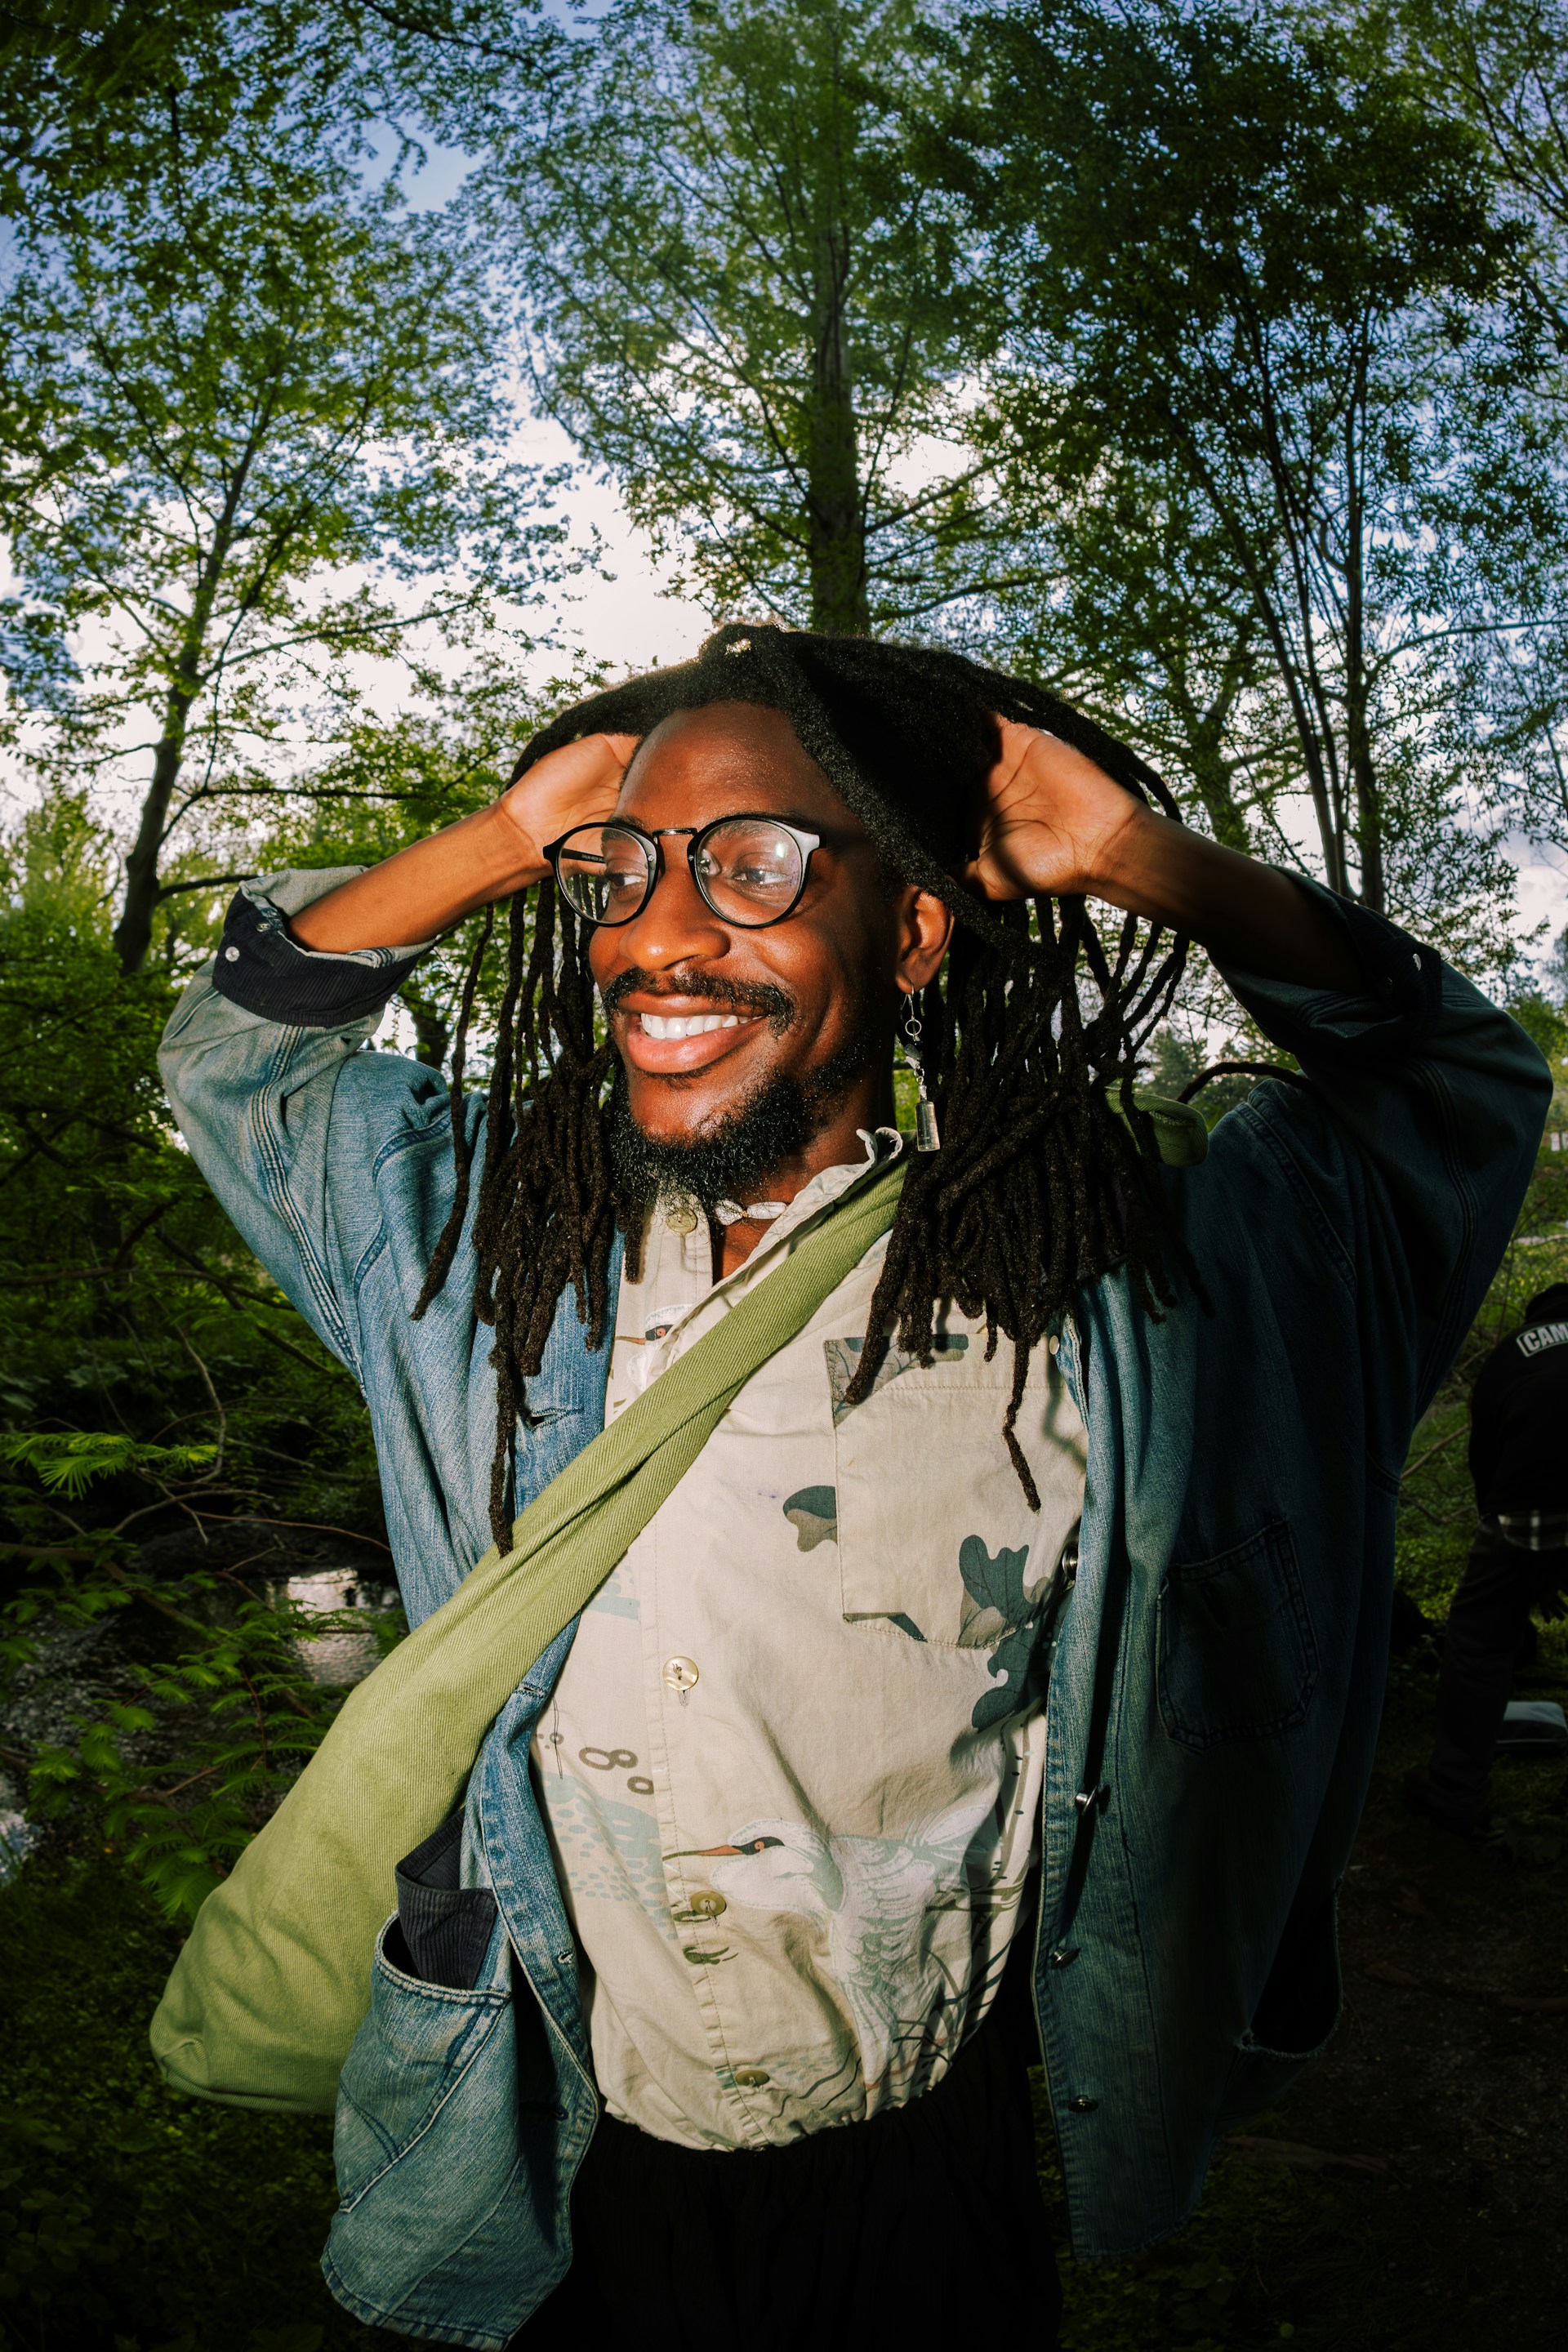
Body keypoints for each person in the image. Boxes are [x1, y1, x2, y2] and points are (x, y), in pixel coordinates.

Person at [158, 626, 1547, 2350]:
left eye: (754, 865)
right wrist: (510, 838)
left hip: (927, 2172)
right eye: (621, 875)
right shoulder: (480, 1263)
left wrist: (1135, 859)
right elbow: (238, 1059)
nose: (660, 932)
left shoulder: (1125, 1281)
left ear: (907, 933)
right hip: (552, 2147)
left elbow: (1452, 1088)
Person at [1405, 1281, 1568, 1834]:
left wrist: (1516, 1559)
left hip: (1526, 1501)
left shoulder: (1515, 1352)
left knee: (1478, 1643)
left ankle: (1455, 1795)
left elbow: (1485, 1460)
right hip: (1541, 1493)